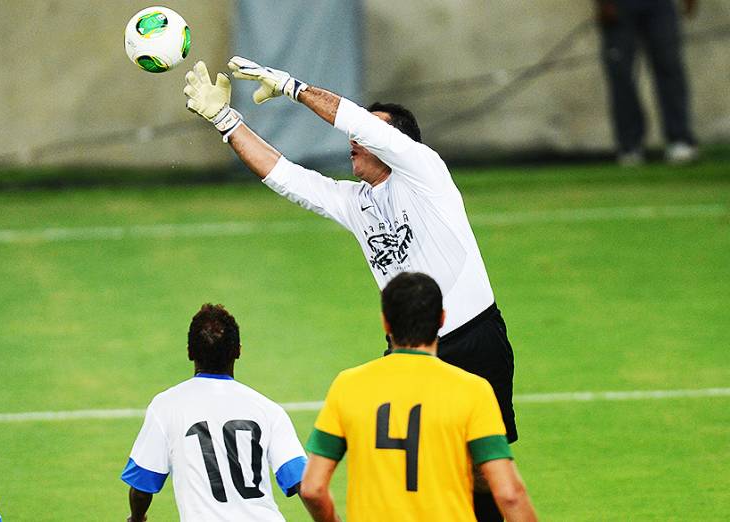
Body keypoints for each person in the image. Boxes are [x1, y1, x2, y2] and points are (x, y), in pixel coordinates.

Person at [184, 57, 517, 519]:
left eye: (368, 134)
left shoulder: (426, 175)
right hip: (406, 350)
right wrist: (225, 121)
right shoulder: (356, 202)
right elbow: (285, 176)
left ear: (397, 144)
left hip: (473, 340)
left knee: (482, 470)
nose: (353, 141)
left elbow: (359, 122)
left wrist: (290, 86)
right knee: (400, 465)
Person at [298, 272, 537, 521]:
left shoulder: (348, 385)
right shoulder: (472, 390)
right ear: (442, 319)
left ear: (385, 323)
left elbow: (313, 488)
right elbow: (510, 494)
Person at [121, 303, 307, 521]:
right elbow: (305, 483)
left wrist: (136, 518)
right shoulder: (268, 410)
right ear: (238, 350)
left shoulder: (166, 406)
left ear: (190, 353)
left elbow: (143, 485)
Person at [596, 0, 698, 165]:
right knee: (621, 73)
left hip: (660, 5)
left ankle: (679, 138)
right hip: (619, 5)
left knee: (669, 66)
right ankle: (630, 145)